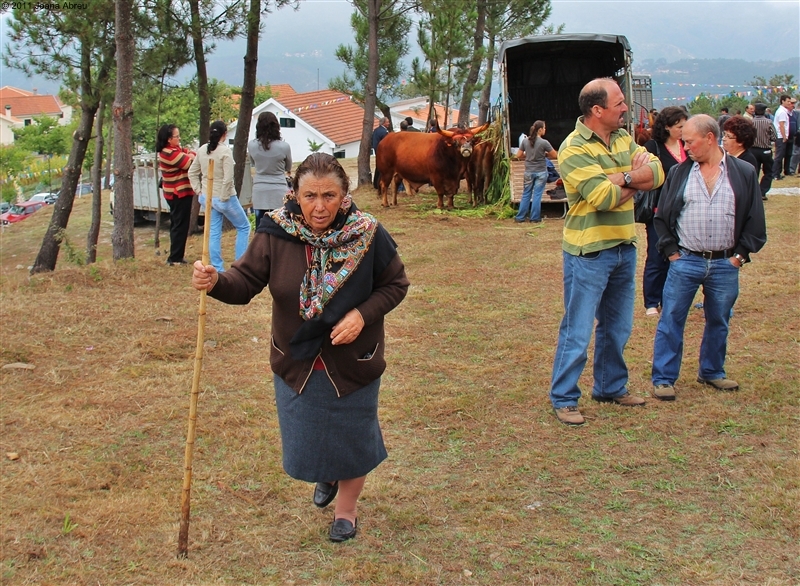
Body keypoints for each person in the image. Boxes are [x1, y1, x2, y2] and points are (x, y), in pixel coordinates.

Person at [191, 153, 409, 542]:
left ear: (345, 196)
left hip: (353, 361)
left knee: (354, 438)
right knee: (308, 436)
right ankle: (326, 472)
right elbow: (243, 282)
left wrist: (362, 314)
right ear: (294, 194)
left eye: (329, 195)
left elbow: (395, 285)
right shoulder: (275, 233)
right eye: (310, 196)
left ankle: (346, 510)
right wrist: (216, 281)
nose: (319, 206)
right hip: (297, 360)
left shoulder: (368, 233)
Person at [549, 78, 664, 426]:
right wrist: (633, 177)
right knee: (578, 328)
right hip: (589, 253)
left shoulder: (622, 138)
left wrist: (618, 178)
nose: (626, 108)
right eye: (619, 104)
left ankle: (611, 387)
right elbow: (602, 198)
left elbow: (658, 172)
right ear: (597, 110)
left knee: (618, 326)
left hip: (624, 246)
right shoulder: (573, 148)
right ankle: (565, 397)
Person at [650, 115, 766, 401]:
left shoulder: (744, 172)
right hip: (685, 261)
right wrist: (672, 254)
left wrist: (739, 257)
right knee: (671, 320)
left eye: (689, 141)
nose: (685, 146)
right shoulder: (679, 173)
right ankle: (664, 378)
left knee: (719, 320)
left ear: (710, 138)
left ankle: (712, 371)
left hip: (725, 264)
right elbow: (661, 217)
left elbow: (755, 221)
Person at [642, 106, 688, 317]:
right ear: (667, 127)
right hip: (659, 210)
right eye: (679, 126)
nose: (683, 129)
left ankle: (671, 298)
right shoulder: (653, 146)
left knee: (679, 255)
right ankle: (652, 301)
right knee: (656, 255)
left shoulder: (686, 145)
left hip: (685, 209)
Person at [189, 120, 251, 273]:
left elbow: (192, 172)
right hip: (224, 197)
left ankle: (217, 267)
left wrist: (198, 191)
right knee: (244, 226)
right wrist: (224, 197)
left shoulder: (202, 150)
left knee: (214, 231)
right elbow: (228, 178)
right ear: (224, 134)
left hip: (208, 196)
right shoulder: (225, 151)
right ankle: (240, 263)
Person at [157, 124, 196, 266]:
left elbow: (192, 153)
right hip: (177, 194)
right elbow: (189, 162)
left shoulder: (176, 150)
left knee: (181, 225)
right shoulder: (167, 153)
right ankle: (175, 258)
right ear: (168, 139)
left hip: (182, 192)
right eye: (176, 136)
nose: (179, 138)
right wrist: (189, 155)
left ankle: (178, 255)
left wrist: (189, 154)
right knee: (179, 226)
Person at [248, 111, 293, 227]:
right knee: (280, 225)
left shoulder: (251, 145)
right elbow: (288, 167)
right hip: (278, 189)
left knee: (260, 225)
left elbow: (252, 163)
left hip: (259, 189)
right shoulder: (284, 147)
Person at [514, 120, 557, 223]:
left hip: (528, 172)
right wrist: (545, 155)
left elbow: (518, 155)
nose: (545, 130)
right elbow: (554, 155)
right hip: (541, 172)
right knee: (537, 195)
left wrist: (527, 155)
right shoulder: (544, 143)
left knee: (526, 194)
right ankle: (535, 218)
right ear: (540, 130)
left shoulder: (525, 141)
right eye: (544, 128)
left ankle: (520, 217)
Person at [749, 103, 777, 201]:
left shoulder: (751, 122)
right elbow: (774, 137)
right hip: (765, 150)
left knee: (754, 172)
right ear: (764, 111)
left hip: (752, 150)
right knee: (768, 172)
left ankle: (753, 192)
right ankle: (762, 191)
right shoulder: (768, 122)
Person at [772, 94, 792, 180]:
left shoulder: (784, 111)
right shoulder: (782, 112)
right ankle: (774, 173)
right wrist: (784, 137)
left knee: (781, 155)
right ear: (783, 101)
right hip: (780, 136)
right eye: (788, 101)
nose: (789, 103)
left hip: (781, 136)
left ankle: (778, 173)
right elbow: (781, 125)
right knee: (779, 156)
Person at [371, 117, 390, 190]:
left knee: (378, 168)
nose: (388, 123)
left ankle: (375, 183)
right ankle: (380, 184)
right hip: (382, 153)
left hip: (377, 151)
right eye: (387, 122)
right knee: (382, 169)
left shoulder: (376, 130)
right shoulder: (384, 132)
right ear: (384, 123)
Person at [781, 97, 796, 177]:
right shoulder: (784, 112)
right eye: (790, 103)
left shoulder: (794, 113)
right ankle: (778, 171)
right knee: (781, 154)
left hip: (792, 136)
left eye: (793, 103)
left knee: (789, 154)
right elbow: (782, 125)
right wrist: (784, 136)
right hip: (785, 136)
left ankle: (787, 170)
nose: (792, 105)